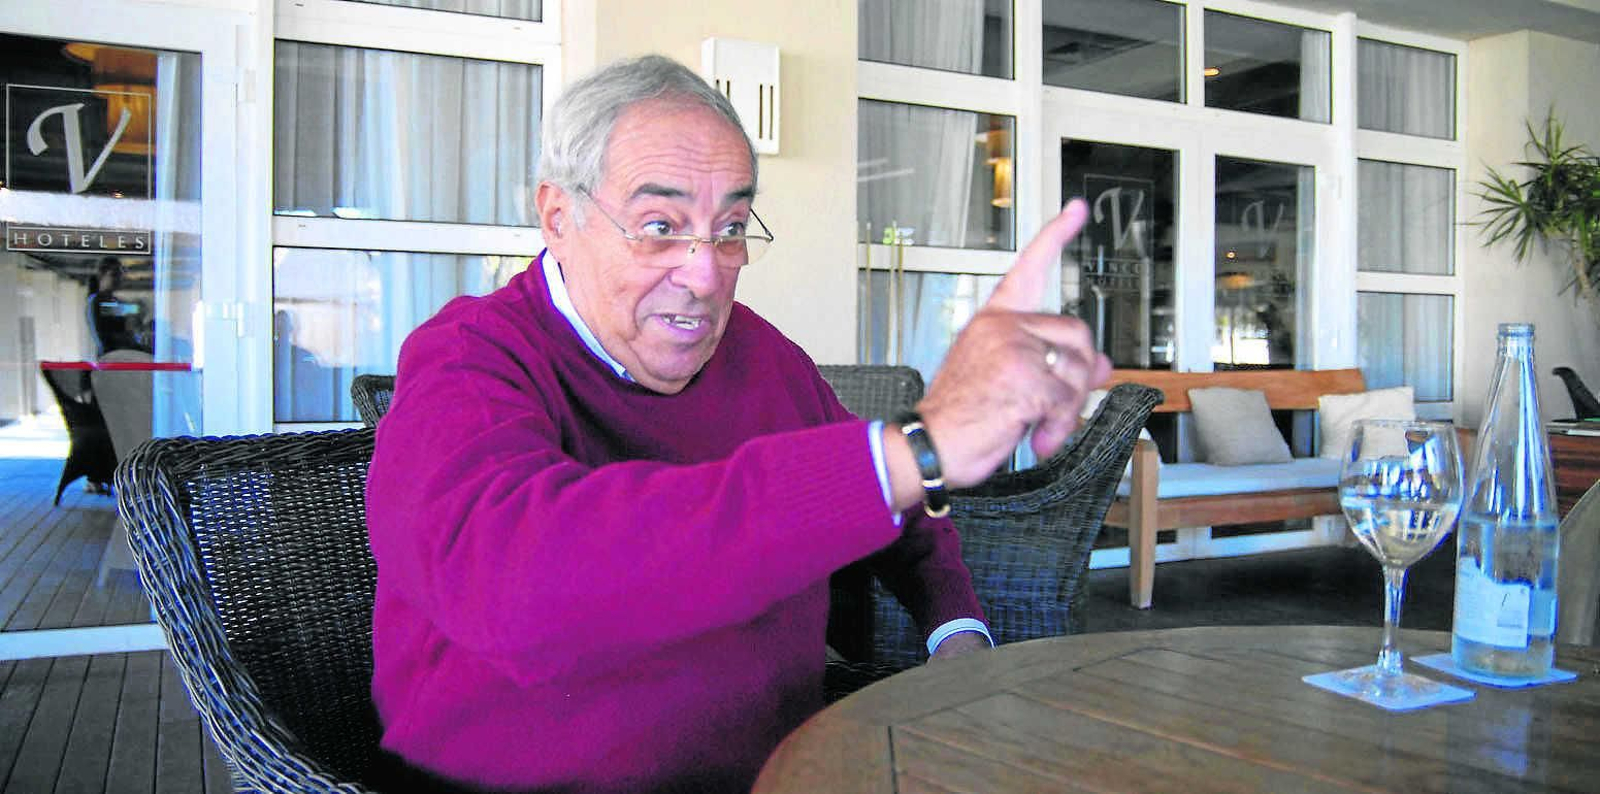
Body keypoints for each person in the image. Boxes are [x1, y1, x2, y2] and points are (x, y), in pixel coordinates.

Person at [366, 54, 1109, 794]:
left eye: (729, 228)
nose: (706, 272)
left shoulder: (765, 357)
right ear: (560, 219)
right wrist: (913, 448)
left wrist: (956, 631)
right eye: (660, 226)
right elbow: (516, 584)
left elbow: (902, 510)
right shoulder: (466, 360)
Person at [85, 257, 148, 356]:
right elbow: (130, 309)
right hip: (112, 355)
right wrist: (136, 308)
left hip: (119, 353)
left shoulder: (111, 300)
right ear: (102, 275)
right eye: (114, 275)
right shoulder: (96, 300)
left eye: (120, 275)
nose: (119, 279)